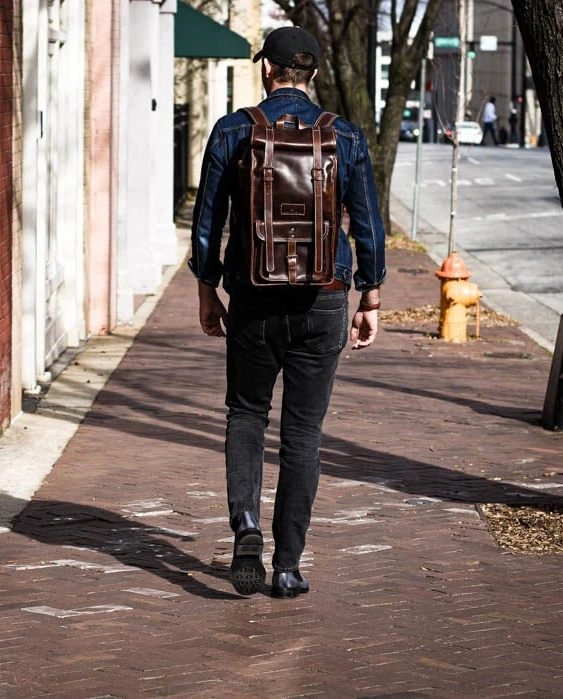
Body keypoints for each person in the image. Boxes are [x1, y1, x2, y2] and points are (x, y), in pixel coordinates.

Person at [189, 26, 386, 599]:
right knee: (303, 432)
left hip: (253, 298)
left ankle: (246, 523)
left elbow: (207, 221)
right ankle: (288, 565)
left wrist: (207, 289)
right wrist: (370, 296)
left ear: (266, 71)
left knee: (246, 414)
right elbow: (368, 225)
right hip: (324, 298)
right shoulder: (343, 136)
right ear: (313, 75)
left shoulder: (233, 130)